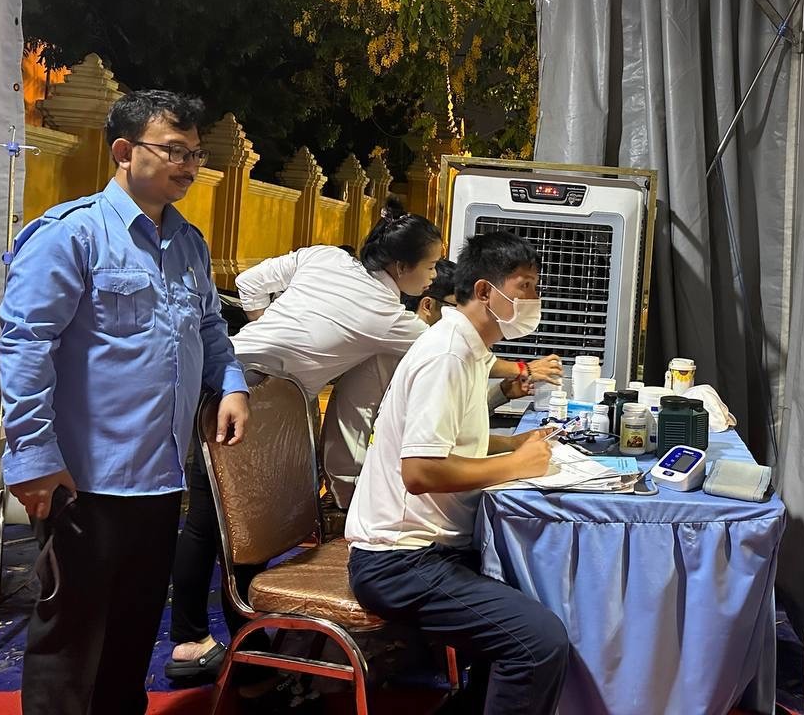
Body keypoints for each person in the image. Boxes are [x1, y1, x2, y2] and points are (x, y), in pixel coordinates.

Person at [166, 213, 562, 676]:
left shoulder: (327, 257)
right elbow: (461, 357)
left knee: (221, 523)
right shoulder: (390, 320)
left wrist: (268, 331)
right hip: (242, 395)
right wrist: (522, 375)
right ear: (401, 267)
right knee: (221, 524)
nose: (434, 276)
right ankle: (197, 641)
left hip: (241, 374)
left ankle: (239, 647)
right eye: (429, 267)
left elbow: (249, 281)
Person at [0, 90, 249, 715]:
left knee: (133, 633)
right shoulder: (71, 234)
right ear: (123, 151)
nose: (188, 166)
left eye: (195, 154)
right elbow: (25, 347)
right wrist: (33, 456)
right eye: (174, 151)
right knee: (71, 641)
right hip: (84, 479)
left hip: (160, 476)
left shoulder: (188, 243)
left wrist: (232, 384)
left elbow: (209, 327)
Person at [347, 231, 569, 715]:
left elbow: (453, 441)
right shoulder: (446, 355)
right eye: (525, 286)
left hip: (433, 549)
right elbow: (420, 471)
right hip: (398, 560)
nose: (534, 299)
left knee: (542, 596)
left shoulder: (472, 351)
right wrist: (516, 464)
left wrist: (513, 444)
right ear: (486, 291)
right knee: (538, 643)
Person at [401, 258, 536, 411]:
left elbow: (459, 415)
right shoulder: (443, 351)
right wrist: (524, 368)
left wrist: (503, 392)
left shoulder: (456, 346)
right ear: (427, 305)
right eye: (455, 306)